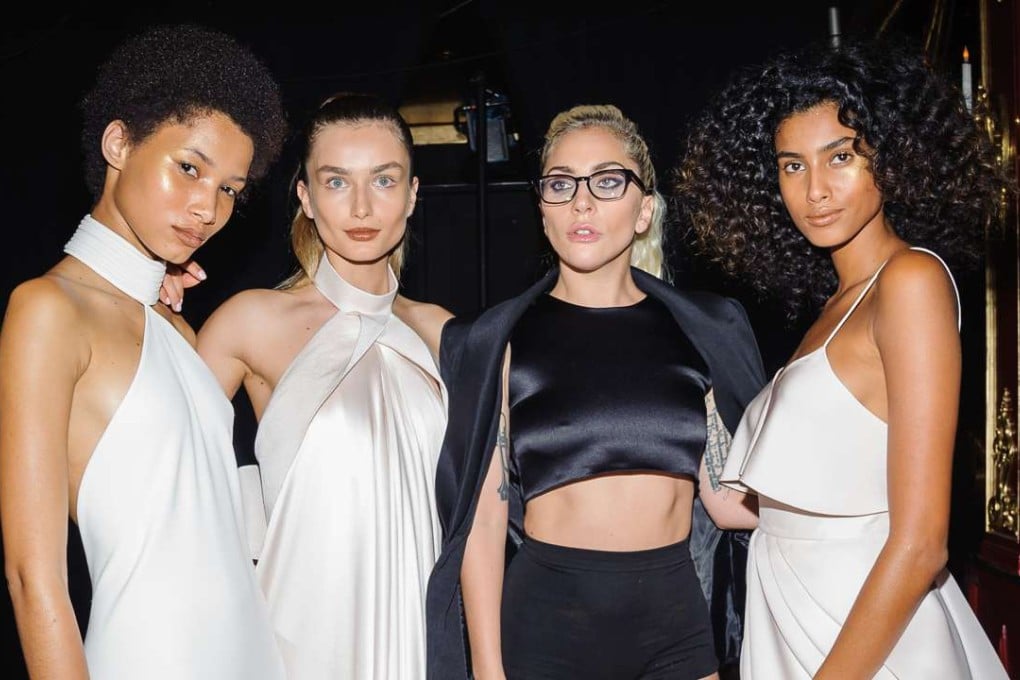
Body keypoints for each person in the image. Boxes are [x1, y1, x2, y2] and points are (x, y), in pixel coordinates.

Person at [675, 37, 1012, 679]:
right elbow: (740, 508)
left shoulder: (910, 282)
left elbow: (920, 544)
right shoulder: (837, 308)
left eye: (841, 157)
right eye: (792, 166)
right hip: (792, 614)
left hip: (865, 634)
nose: (817, 189)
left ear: (891, 158)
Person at [426, 104, 766, 680]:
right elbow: (482, 522)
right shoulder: (500, 340)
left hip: (676, 631)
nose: (582, 202)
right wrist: (487, 669)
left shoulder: (701, 331)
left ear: (644, 211)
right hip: (545, 631)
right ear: (543, 208)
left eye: (608, 182)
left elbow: (727, 503)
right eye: (561, 184)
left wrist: (853, 508)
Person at [0, 23, 288, 679]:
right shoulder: (48, 311)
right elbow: (29, 574)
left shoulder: (178, 328)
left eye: (229, 190)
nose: (207, 208)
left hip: (253, 655)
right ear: (119, 142)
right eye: (188, 167)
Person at [194, 91, 453, 679]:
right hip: (289, 634)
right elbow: (167, 474)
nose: (361, 206)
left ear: (412, 195)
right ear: (306, 198)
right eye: (337, 182)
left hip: (419, 635)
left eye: (384, 181)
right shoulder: (251, 320)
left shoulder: (445, 335)